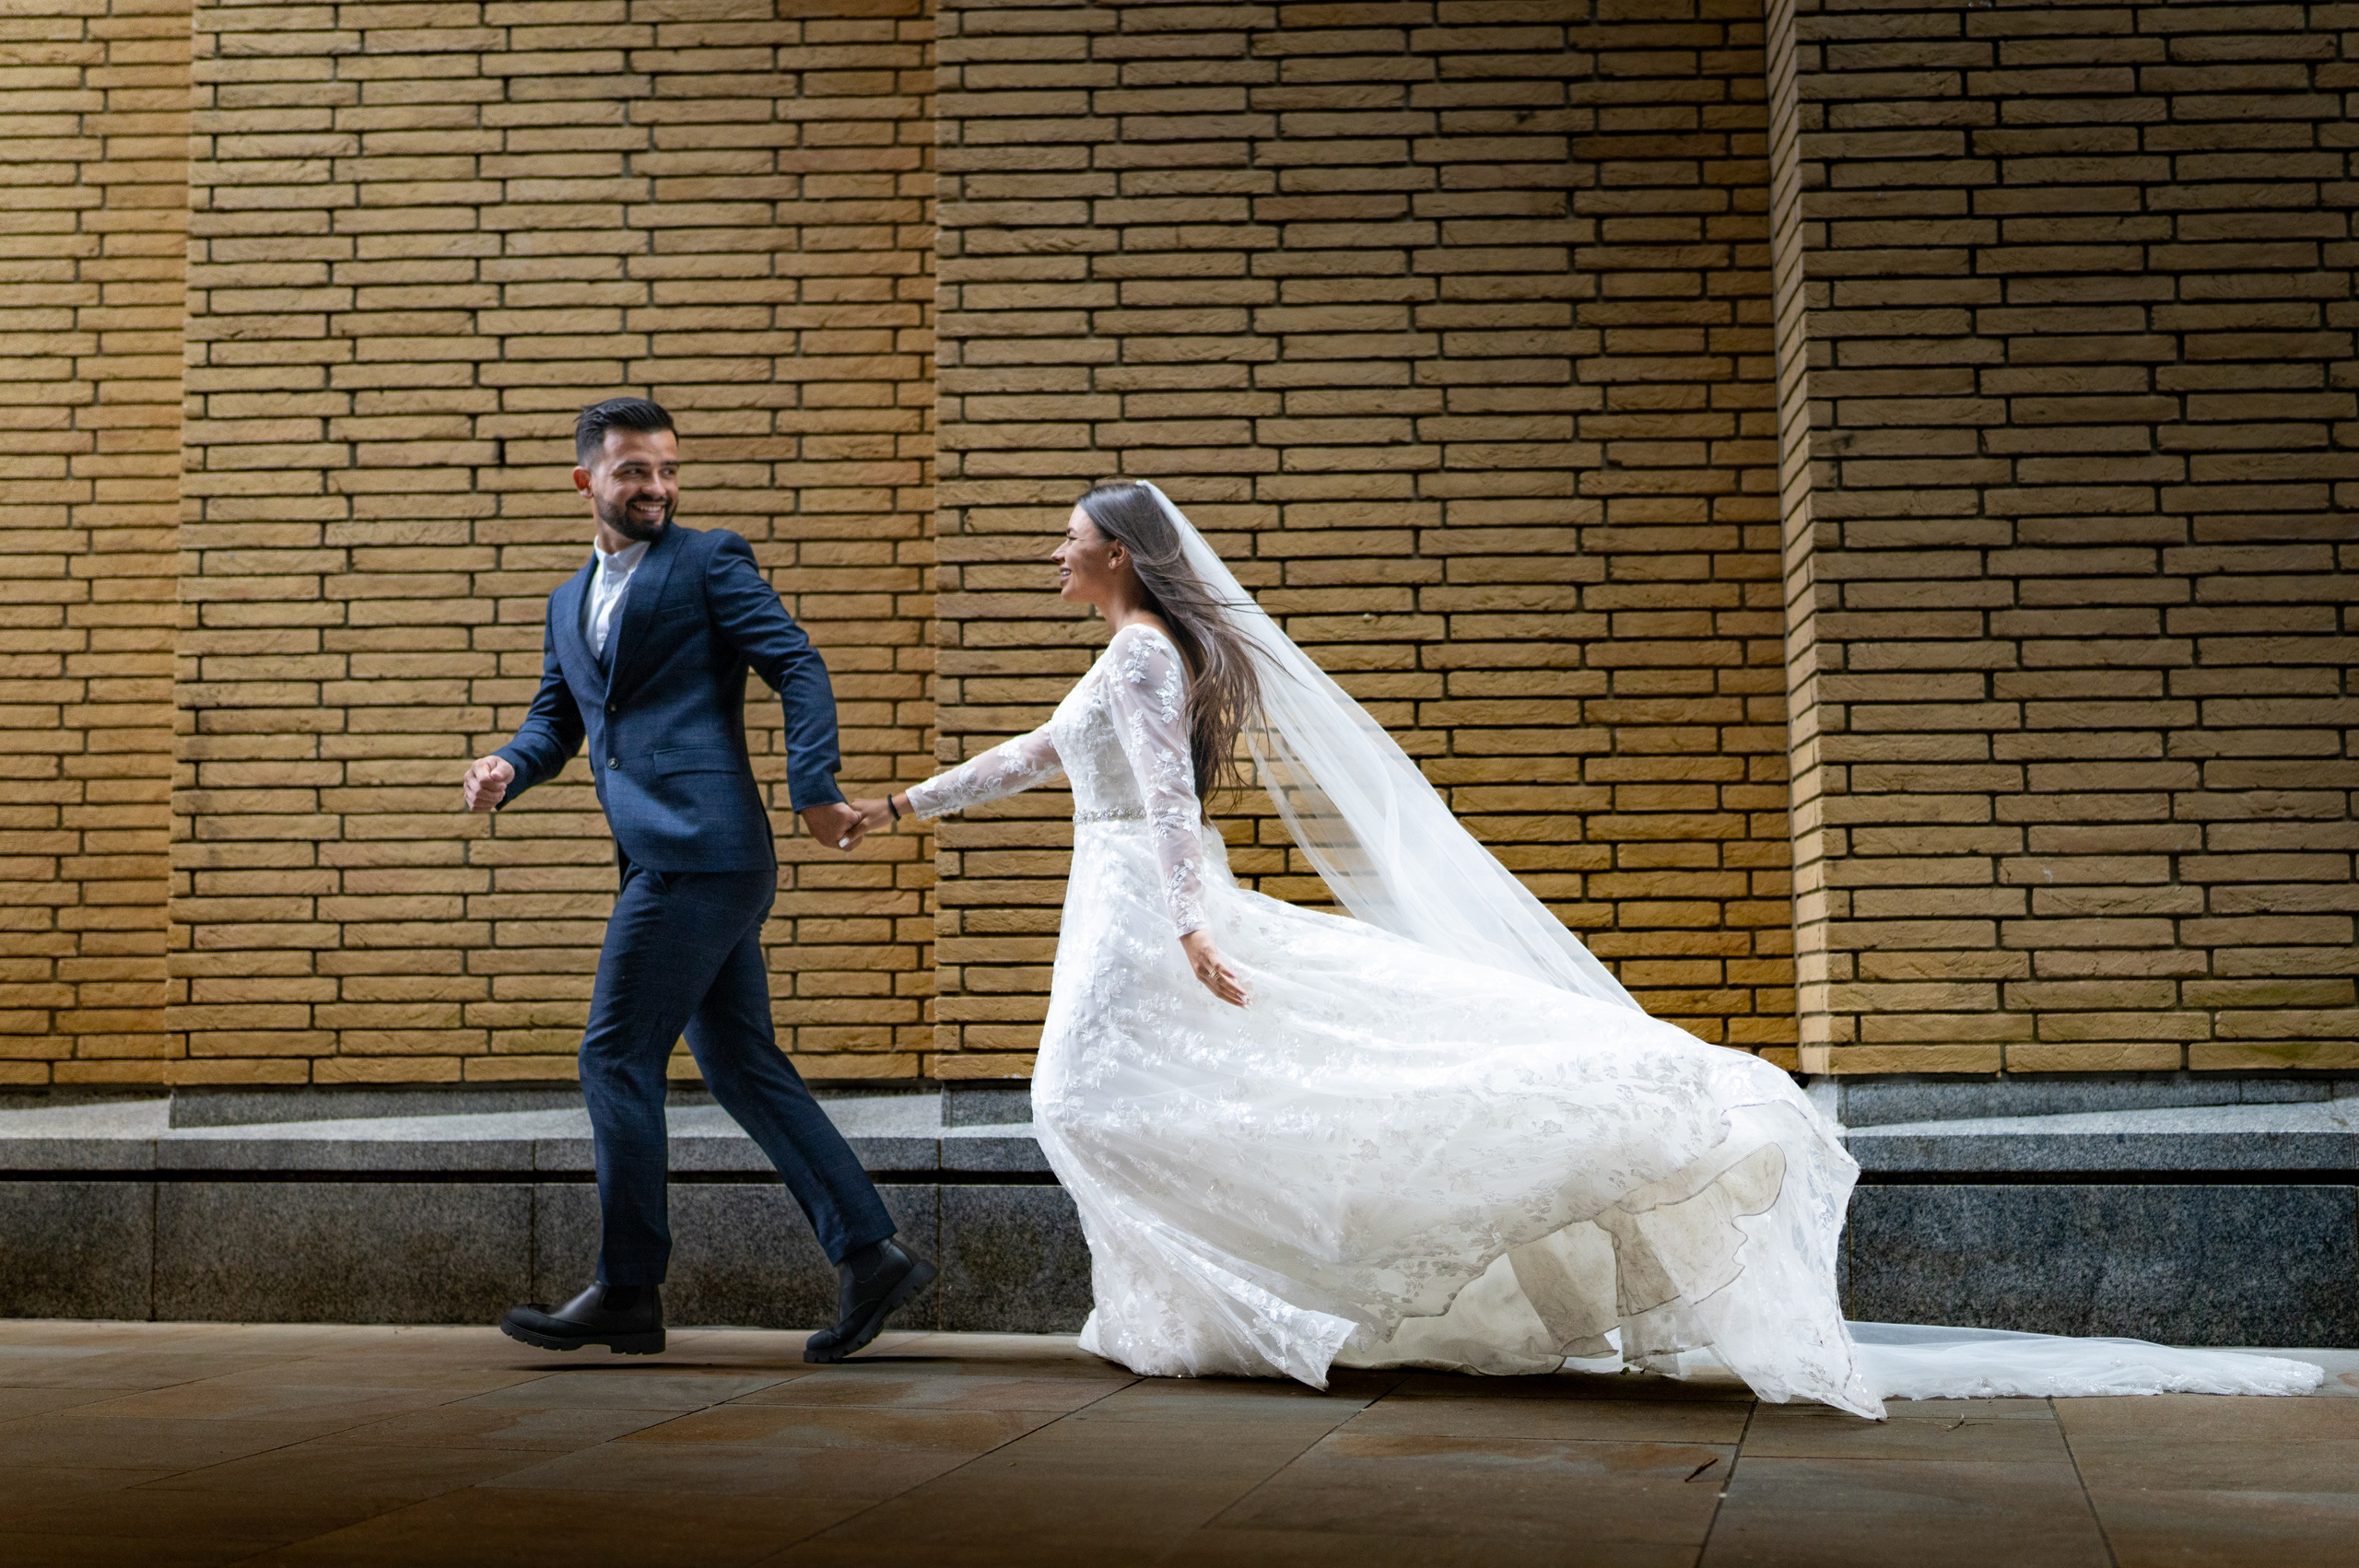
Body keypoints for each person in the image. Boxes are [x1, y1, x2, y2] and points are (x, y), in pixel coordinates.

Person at [843, 480, 2320, 1416]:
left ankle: (1264, 1299)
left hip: (1141, 904)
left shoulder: (1146, 652)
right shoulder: (1124, 653)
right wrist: (897, 809)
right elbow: (1036, 756)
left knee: (1092, 1096)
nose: (1054, 550)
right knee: (1136, 1098)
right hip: (1116, 899)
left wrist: (1185, 919)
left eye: (1071, 535)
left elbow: (1168, 798)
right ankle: (1208, 1310)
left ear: (1120, 552)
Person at [460, 397, 933, 1363]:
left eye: (668, 469)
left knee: (613, 1057)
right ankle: (870, 1252)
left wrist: (814, 787)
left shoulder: (710, 561)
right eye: (635, 470)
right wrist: (509, 764)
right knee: (740, 1063)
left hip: (701, 850)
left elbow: (797, 664)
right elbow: (560, 718)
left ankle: (629, 1290)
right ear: (586, 480)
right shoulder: (567, 601)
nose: (658, 488)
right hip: (671, 853)